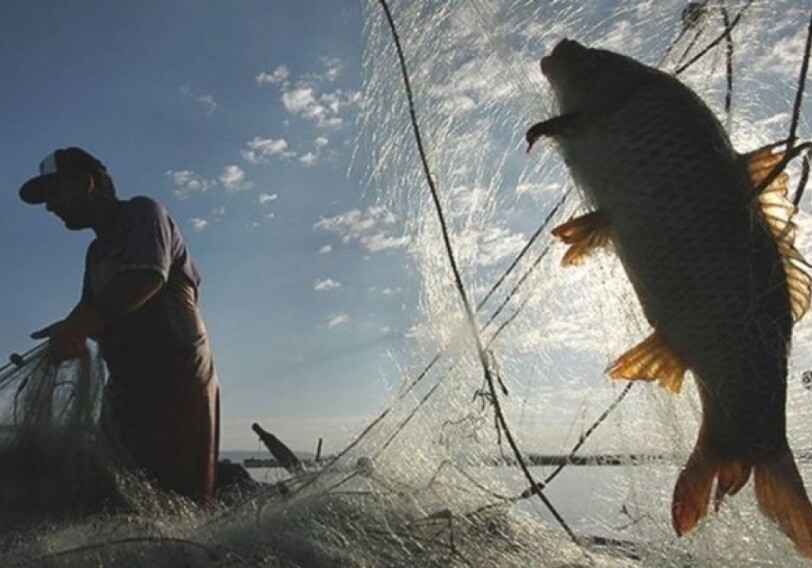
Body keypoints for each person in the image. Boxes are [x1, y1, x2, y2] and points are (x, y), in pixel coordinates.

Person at [18, 147, 220, 506]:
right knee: (116, 491)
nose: (49, 207)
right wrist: (65, 335)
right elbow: (91, 313)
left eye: (54, 192)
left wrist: (78, 325)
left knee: (178, 497)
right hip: (128, 387)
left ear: (86, 183)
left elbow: (147, 277)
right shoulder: (96, 253)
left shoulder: (143, 212)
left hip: (178, 381)